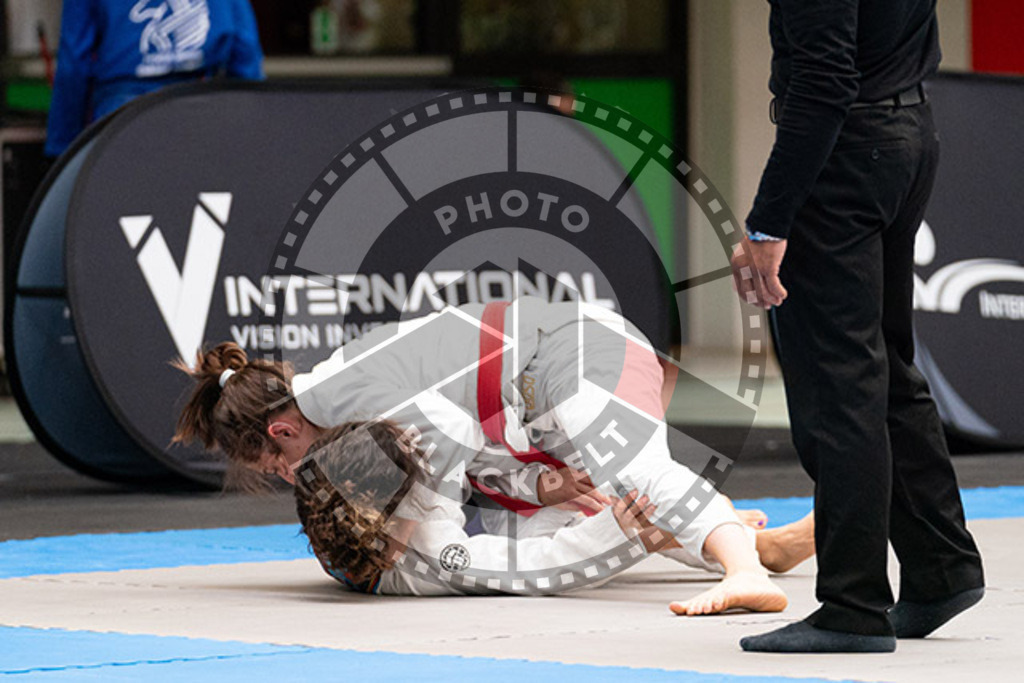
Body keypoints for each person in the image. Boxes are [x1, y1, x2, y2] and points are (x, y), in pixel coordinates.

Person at [174, 297, 810, 614]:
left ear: (282, 432)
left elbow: (451, 435)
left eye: (278, 468)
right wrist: (535, 489)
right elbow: (463, 445)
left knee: (631, 471)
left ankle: (743, 573)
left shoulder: (340, 394)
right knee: (572, 508)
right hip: (530, 406)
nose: (292, 479)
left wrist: (416, 523)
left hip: (570, 351)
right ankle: (763, 548)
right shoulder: (342, 416)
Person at [731, 0, 985, 653]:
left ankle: (853, 604)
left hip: (845, 150)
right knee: (887, 367)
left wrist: (768, 222)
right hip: (908, 133)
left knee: (839, 386)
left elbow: (823, 81)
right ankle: (940, 569)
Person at [293, 420, 815, 596]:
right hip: (490, 537)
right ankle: (752, 545)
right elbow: (536, 569)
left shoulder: (344, 472)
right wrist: (618, 538)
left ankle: (742, 538)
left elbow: (472, 459)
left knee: (590, 487)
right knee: (621, 508)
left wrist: (538, 485)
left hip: (486, 502)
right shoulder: (426, 557)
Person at [45, 0, 264, 158]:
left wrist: (63, 148)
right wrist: (251, 124)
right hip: (204, 107)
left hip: (122, 116)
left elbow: (74, 62)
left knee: (120, 210)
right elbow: (245, 48)